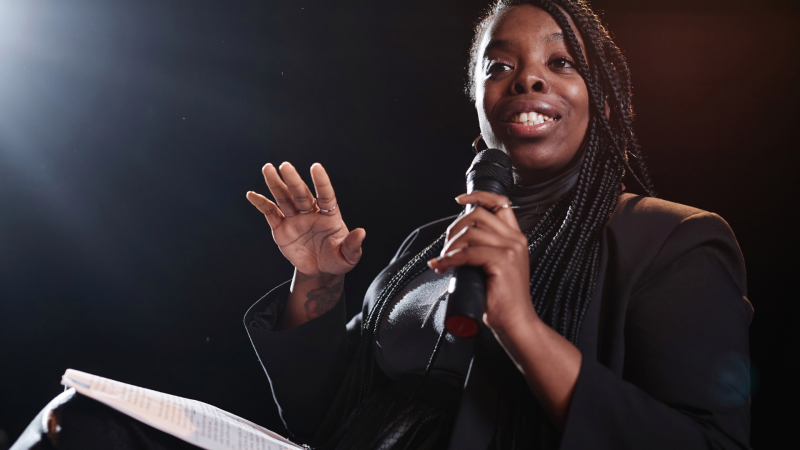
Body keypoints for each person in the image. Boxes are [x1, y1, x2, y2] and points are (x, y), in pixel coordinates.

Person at [13, 0, 751, 449]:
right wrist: (316, 288)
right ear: (477, 101)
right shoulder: (426, 250)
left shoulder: (672, 242)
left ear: (609, 101)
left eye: (562, 63)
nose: (528, 77)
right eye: (499, 65)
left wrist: (521, 323)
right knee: (83, 425)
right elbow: (325, 417)